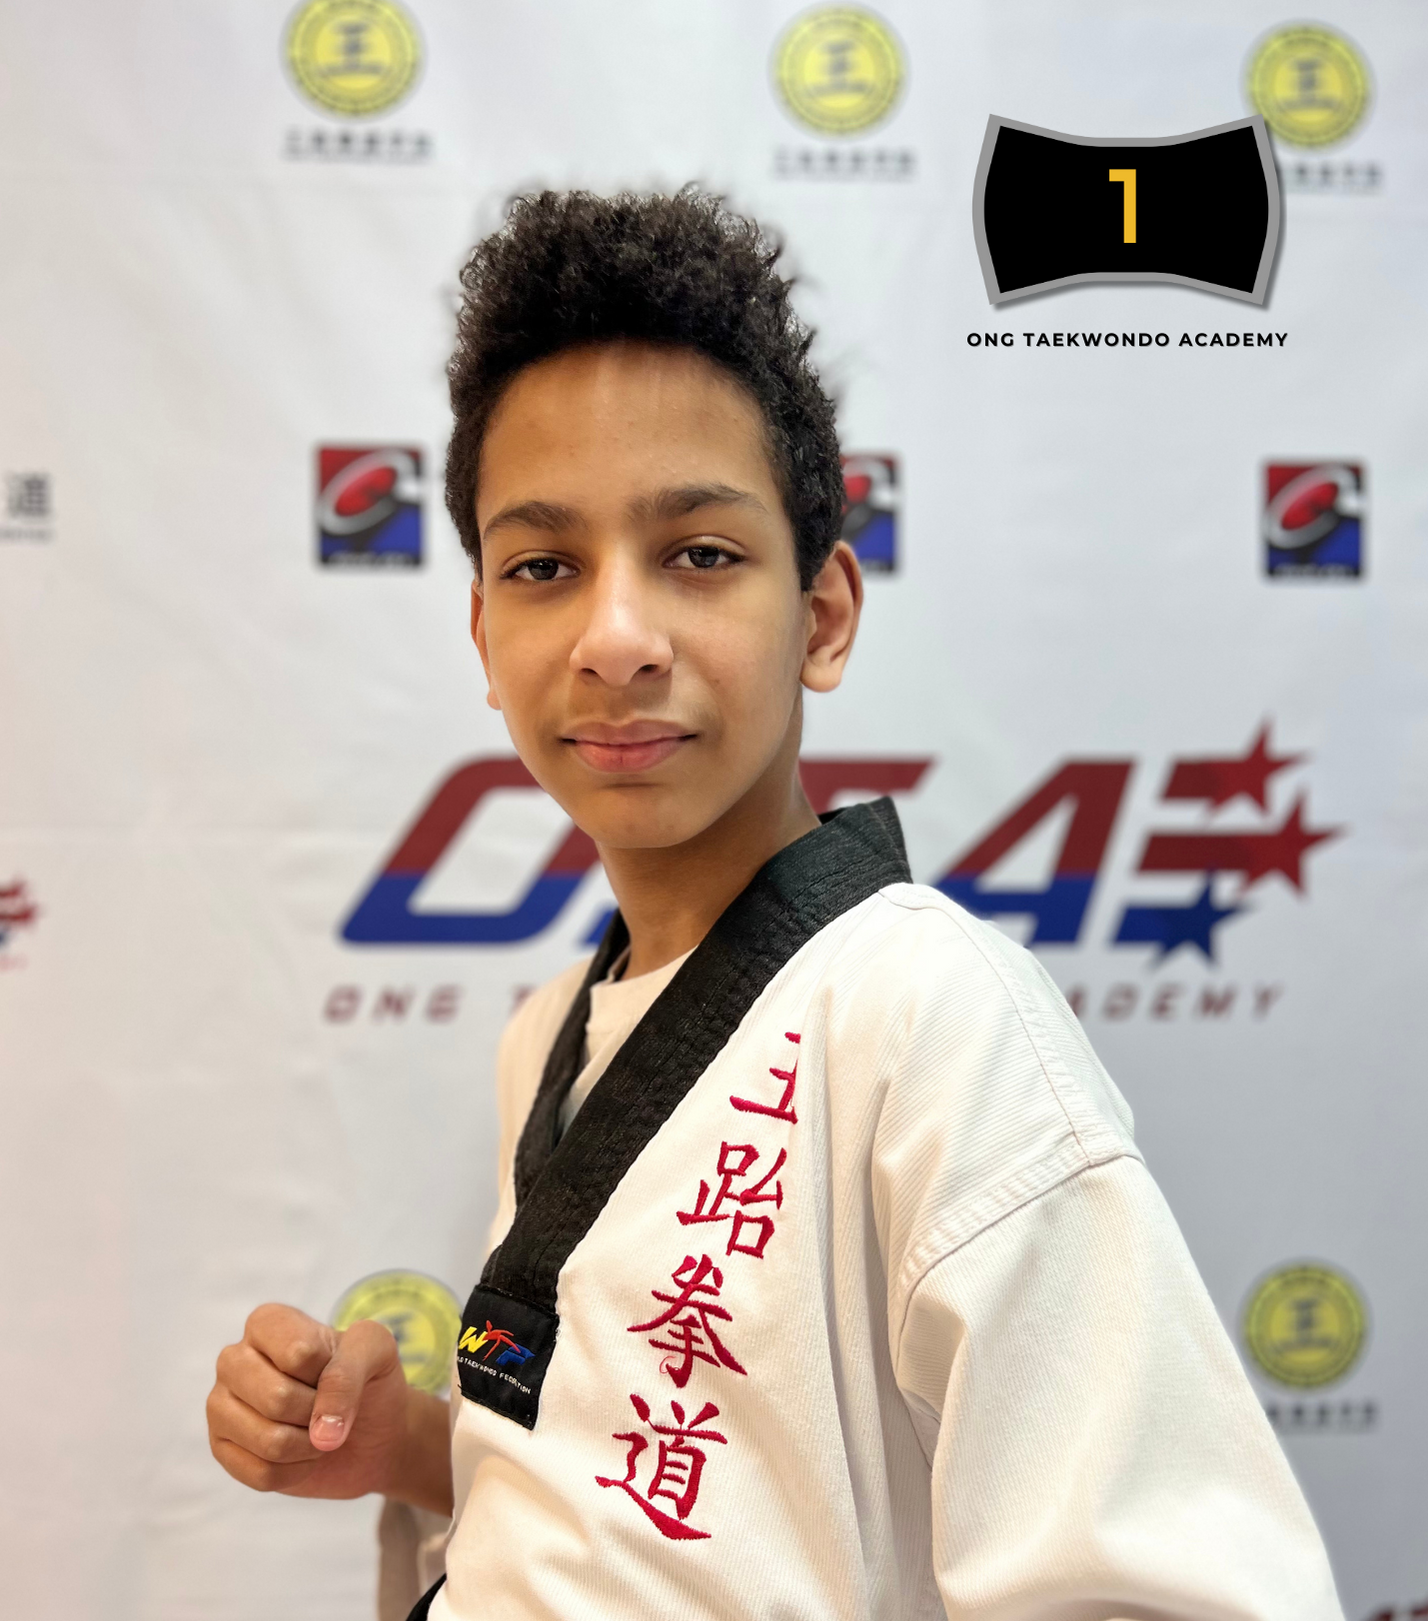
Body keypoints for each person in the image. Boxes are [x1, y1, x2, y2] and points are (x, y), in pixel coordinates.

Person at [206, 189, 1344, 1621]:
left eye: (698, 553)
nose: (616, 639)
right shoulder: (551, 1029)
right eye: (544, 567)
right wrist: (417, 1450)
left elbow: (1175, 1591)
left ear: (823, 615)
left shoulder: (929, 1015)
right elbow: (674, 1509)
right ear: (485, 636)